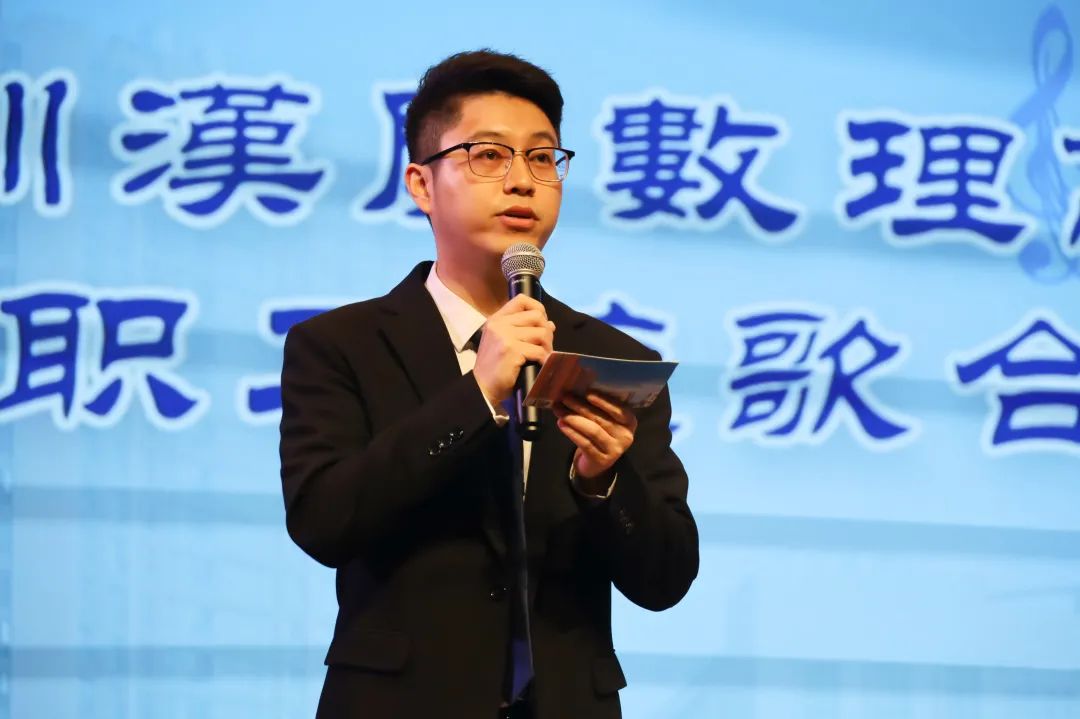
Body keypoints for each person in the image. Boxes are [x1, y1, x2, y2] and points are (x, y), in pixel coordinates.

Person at [279, 49, 698, 719]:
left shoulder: (614, 360)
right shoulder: (339, 345)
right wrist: (476, 393)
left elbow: (666, 578)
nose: (522, 181)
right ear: (421, 184)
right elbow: (323, 521)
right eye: (489, 155)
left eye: (542, 158)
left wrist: (604, 482)